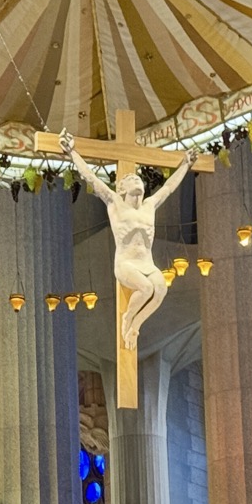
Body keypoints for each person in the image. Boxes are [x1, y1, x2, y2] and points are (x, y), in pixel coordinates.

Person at [60, 129, 196, 349]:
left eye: (138, 178)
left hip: (147, 263)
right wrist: (72, 152)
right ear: (121, 188)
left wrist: (185, 165)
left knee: (161, 289)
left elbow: (169, 188)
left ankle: (136, 324)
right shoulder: (115, 202)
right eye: (132, 179)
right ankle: (128, 317)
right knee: (146, 289)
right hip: (126, 263)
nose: (137, 180)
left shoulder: (149, 205)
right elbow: (91, 177)